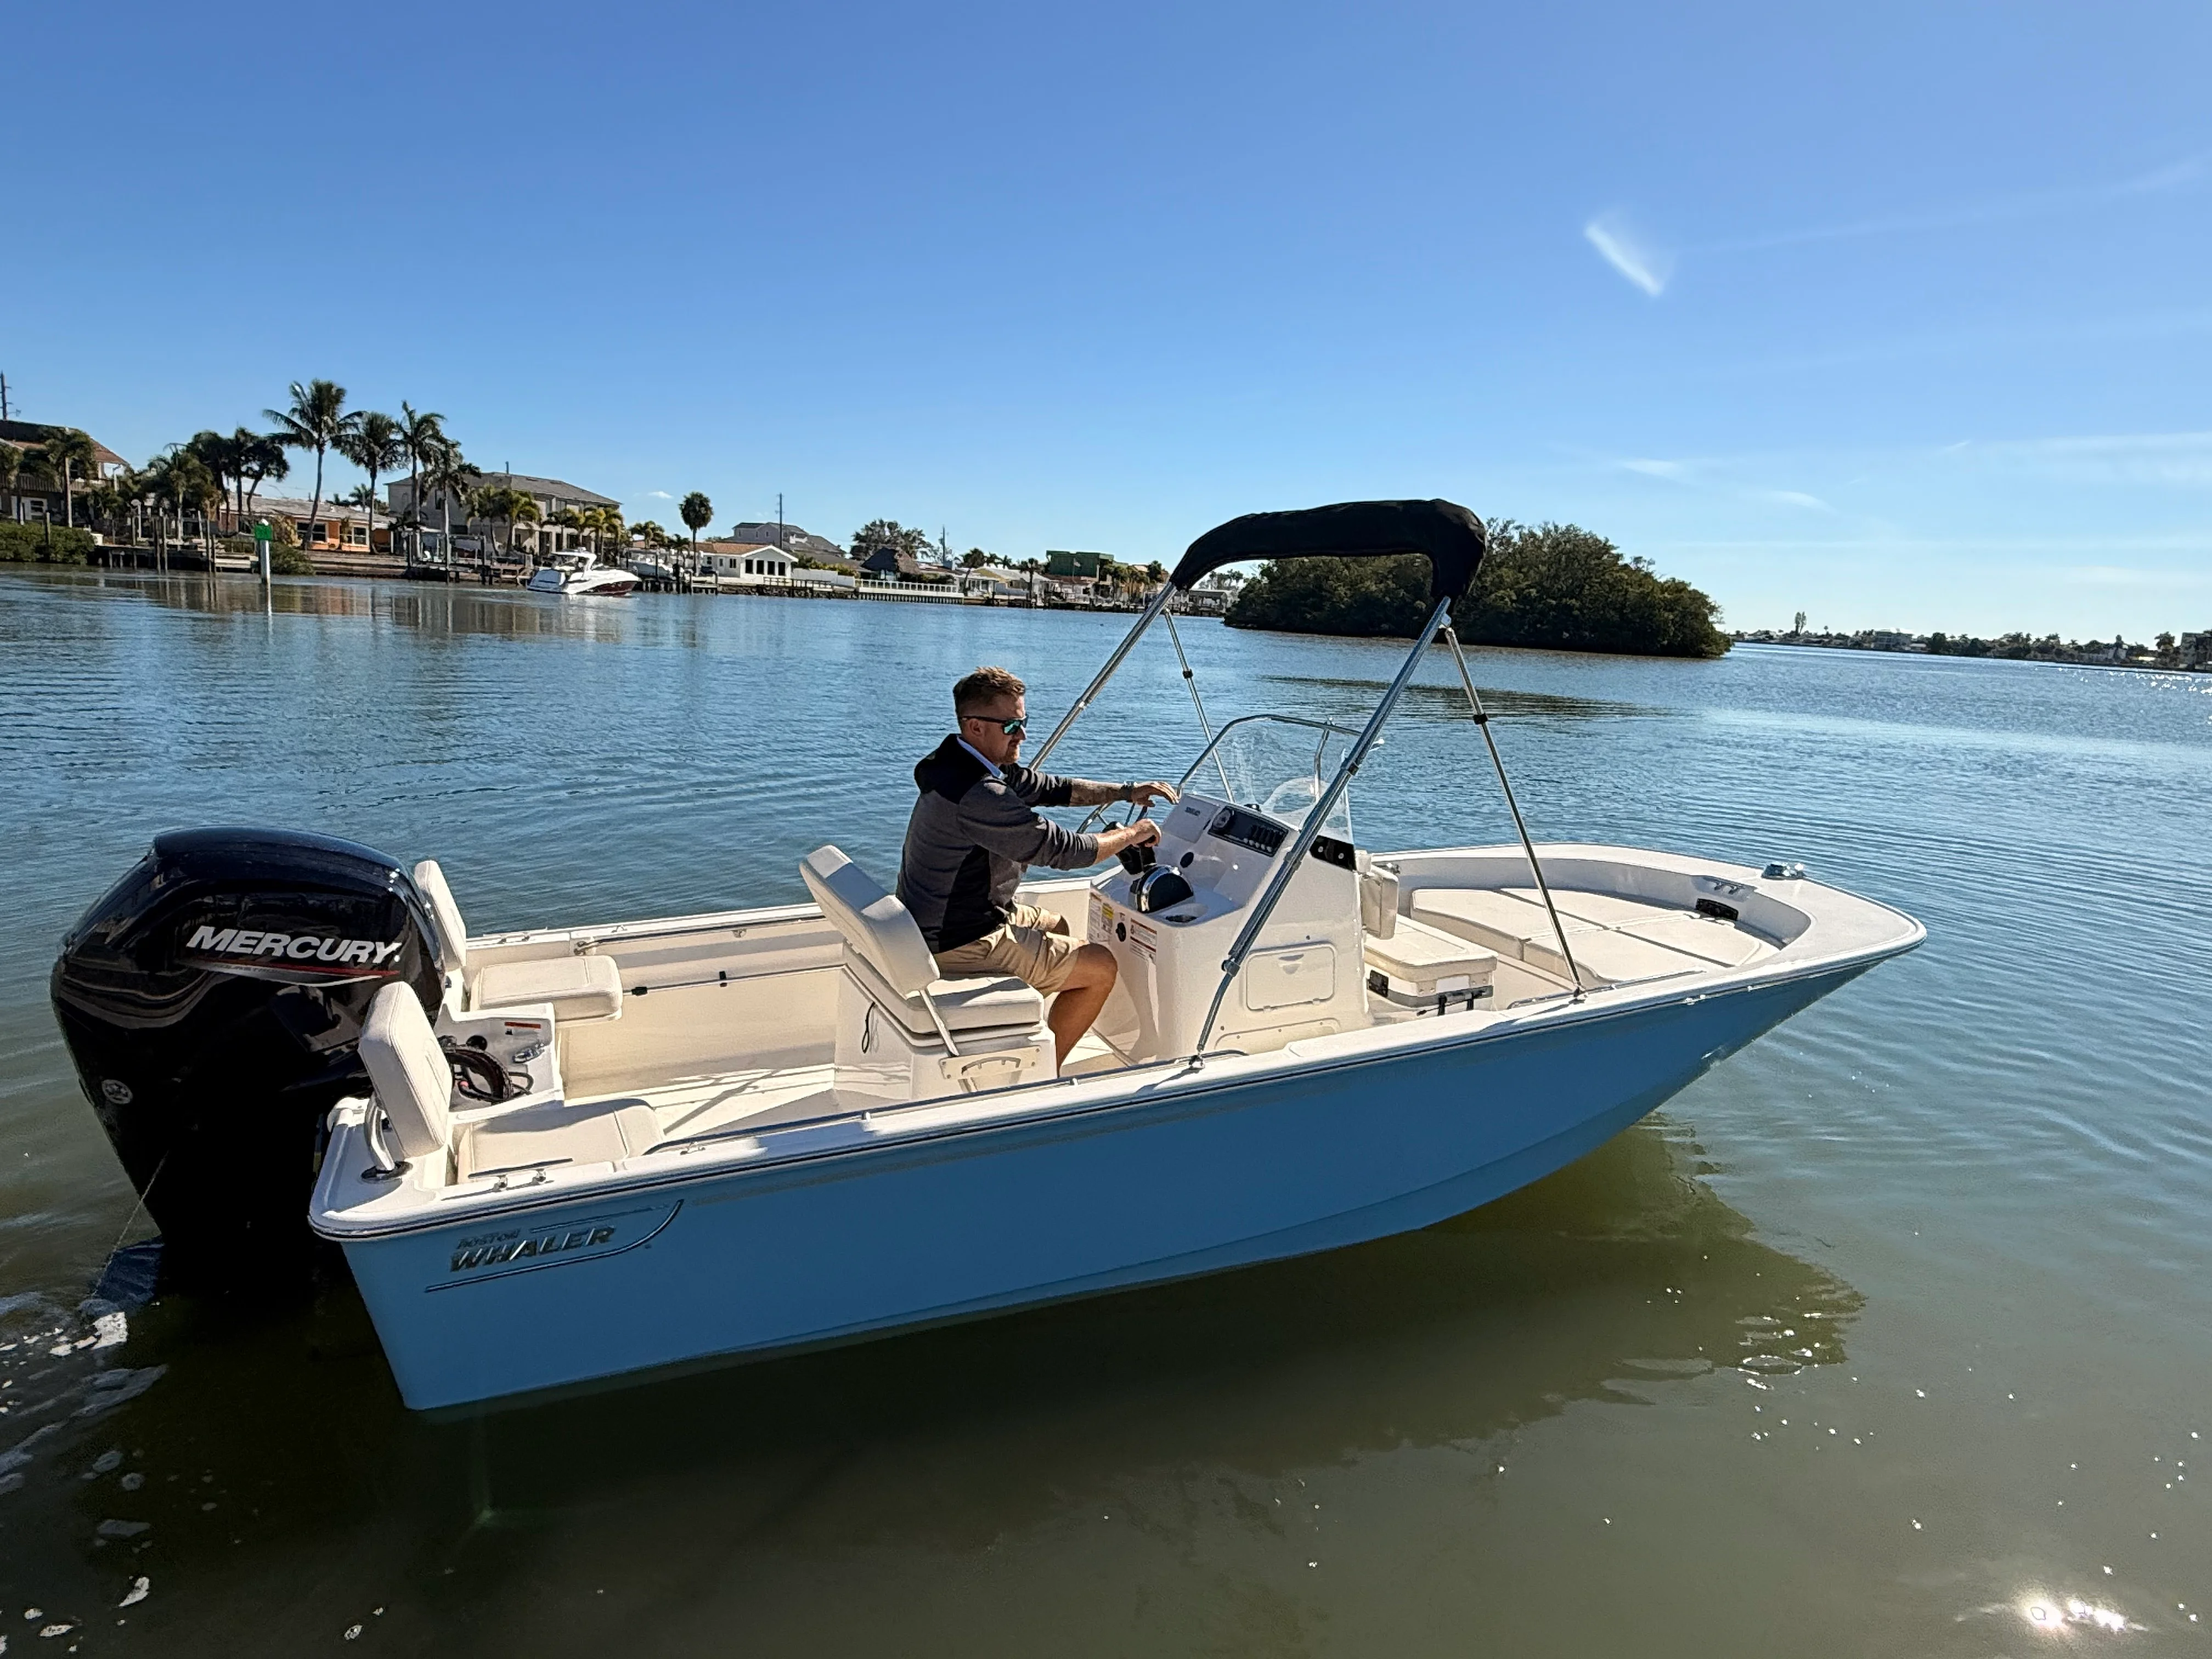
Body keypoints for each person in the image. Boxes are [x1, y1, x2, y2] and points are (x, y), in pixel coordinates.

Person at [897, 665, 1177, 1072]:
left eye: (1024, 722)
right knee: (1101, 968)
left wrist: (1126, 792)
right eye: (1012, 725)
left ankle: (1024, 1030)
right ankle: (1040, 1074)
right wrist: (1133, 834)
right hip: (962, 938)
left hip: (948, 917)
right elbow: (1065, 851)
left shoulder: (961, 763)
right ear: (975, 726)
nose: (1023, 735)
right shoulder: (980, 794)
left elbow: (1053, 789)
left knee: (1059, 925)